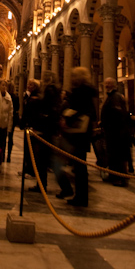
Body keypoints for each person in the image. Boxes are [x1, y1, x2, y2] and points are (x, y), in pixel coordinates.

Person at [54, 67, 97, 206]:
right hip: (82, 134)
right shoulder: (87, 90)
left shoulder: (81, 91)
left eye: (73, 76)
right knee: (79, 167)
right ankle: (80, 196)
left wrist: (67, 117)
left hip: (78, 134)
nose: (71, 78)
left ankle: (80, 197)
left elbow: (82, 110)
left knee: (78, 167)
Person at [28, 70, 61, 193]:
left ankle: (43, 185)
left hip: (46, 129)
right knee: (48, 160)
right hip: (50, 128)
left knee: (44, 160)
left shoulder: (49, 91)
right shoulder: (55, 91)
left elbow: (47, 109)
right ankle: (42, 184)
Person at [100, 78, 129, 186]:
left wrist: (109, 125)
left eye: (109, 83)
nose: (106, 85)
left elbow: (117, 114)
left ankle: (119, 178)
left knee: (117, 155)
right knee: (112, 155)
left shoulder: (115, 97)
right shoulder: (112, 96)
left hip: (116, 132)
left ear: (114, 85)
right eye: (106, 83)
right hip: (112, 131)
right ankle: (113, 175)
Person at [0, 80, 14, 171]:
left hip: (4, 125)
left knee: (1, 145)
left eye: (5, 86)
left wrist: (9, 128)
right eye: (2, 85)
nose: (4, 87)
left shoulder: (8, 98)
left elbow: (10, 113)